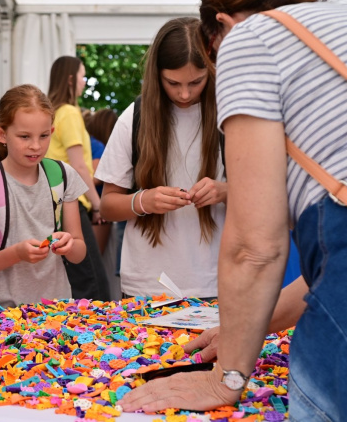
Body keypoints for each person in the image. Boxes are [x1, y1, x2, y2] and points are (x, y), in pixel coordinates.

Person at [120, 0, 346, 419]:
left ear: (221, 24)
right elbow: (325, 275)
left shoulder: (252, 37)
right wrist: (245, 329)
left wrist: (226, 377)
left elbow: (255, 247)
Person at [96, 17, 226, 300]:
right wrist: (144, 201)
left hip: (215, 282)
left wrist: (224, 191)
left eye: (196, 82)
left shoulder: (229, 116)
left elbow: (263, 195)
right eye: (173, 83)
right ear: (157, 75)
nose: (184, 93)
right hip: (146, 285)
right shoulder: (134, 118)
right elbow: (108, 206)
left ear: (212, 69)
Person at [0, 84, 88, 309]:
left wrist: (69, 246)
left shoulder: (63, 175)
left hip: (58, 309)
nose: (36, 146)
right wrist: (16, 253)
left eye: (43, 136)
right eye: (24, 136)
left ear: (52, 131)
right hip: (4, 313)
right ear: (2, 134)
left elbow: (79, 252)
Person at [46, 56, 111, 301]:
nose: (84, 82)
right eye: (83, 76)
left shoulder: (54, 113)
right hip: (71, 203)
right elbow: (79, 166)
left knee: (79, 281)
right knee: (93, 284)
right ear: (71, 79)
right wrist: (98, 204)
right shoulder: (70, 113)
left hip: (54, 202)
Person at [85, 108, 119, 254]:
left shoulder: (85, 143)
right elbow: (97, 177)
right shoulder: (98, 146)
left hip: (82, 203)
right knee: (95, 256)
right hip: (97, 204)